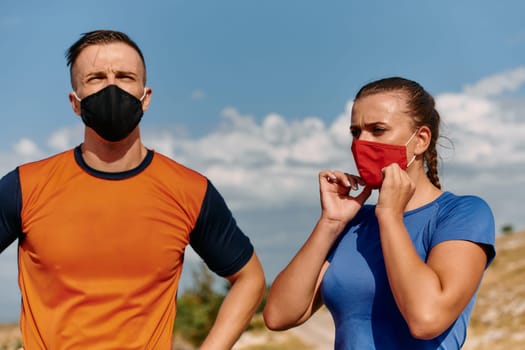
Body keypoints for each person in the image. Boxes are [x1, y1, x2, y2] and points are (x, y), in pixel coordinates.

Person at [0, 30, 265, 350]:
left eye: (125, 76)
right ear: (75, 101)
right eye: (96, 78)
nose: (112, 87)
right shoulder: (26, 186)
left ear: (146, 96)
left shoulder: (189, 190)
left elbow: (249, 279)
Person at [263, 77, 496, 349]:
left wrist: (389, 216)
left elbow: (426, 319)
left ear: (420, 140)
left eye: (378, 130)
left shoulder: (462, 213)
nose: (362, 142)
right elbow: (279, 315)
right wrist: (330, 223)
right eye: (355, 132)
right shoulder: (355, 223)